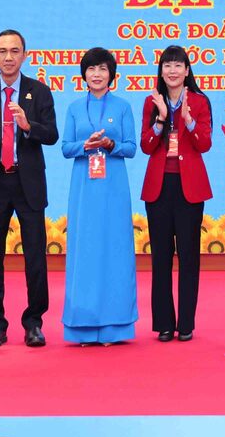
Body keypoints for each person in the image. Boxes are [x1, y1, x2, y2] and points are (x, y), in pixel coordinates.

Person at [0, 29, 58, 348]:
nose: (8, 57)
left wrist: (28, 126)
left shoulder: (39, 91)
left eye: (15, 51)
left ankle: (34, 322)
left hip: (27, 181)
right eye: (3, 51)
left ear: (24, 55)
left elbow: (52, 135)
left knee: (35, 256)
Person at [60, 48, 138, 345]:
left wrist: (110, 144)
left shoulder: (123, 107)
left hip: (114, 188)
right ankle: (82, 326)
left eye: (102, 69)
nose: (96, 74)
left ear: (111, 74)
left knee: (115, 250)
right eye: (91, 69)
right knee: (85, 251)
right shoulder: (74, 108)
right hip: (84, 188)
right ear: (84, 74)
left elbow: (131, 147)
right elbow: (66, 148)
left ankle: (114, 327)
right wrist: (86, 145)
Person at [140, 44, 213, 342]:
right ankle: (164, 324)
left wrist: (189, 120)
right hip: (159, 188)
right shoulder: (151, 102)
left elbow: (204, 144)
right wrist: (160, 119)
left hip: (189, 188)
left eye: (177, 65)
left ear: (187, 70)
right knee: (160, 258)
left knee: (188, 256)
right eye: (167, 65)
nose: (172, 70)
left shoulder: (199, 101)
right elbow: (146, 146)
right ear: (161, 71)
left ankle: (186, 324)